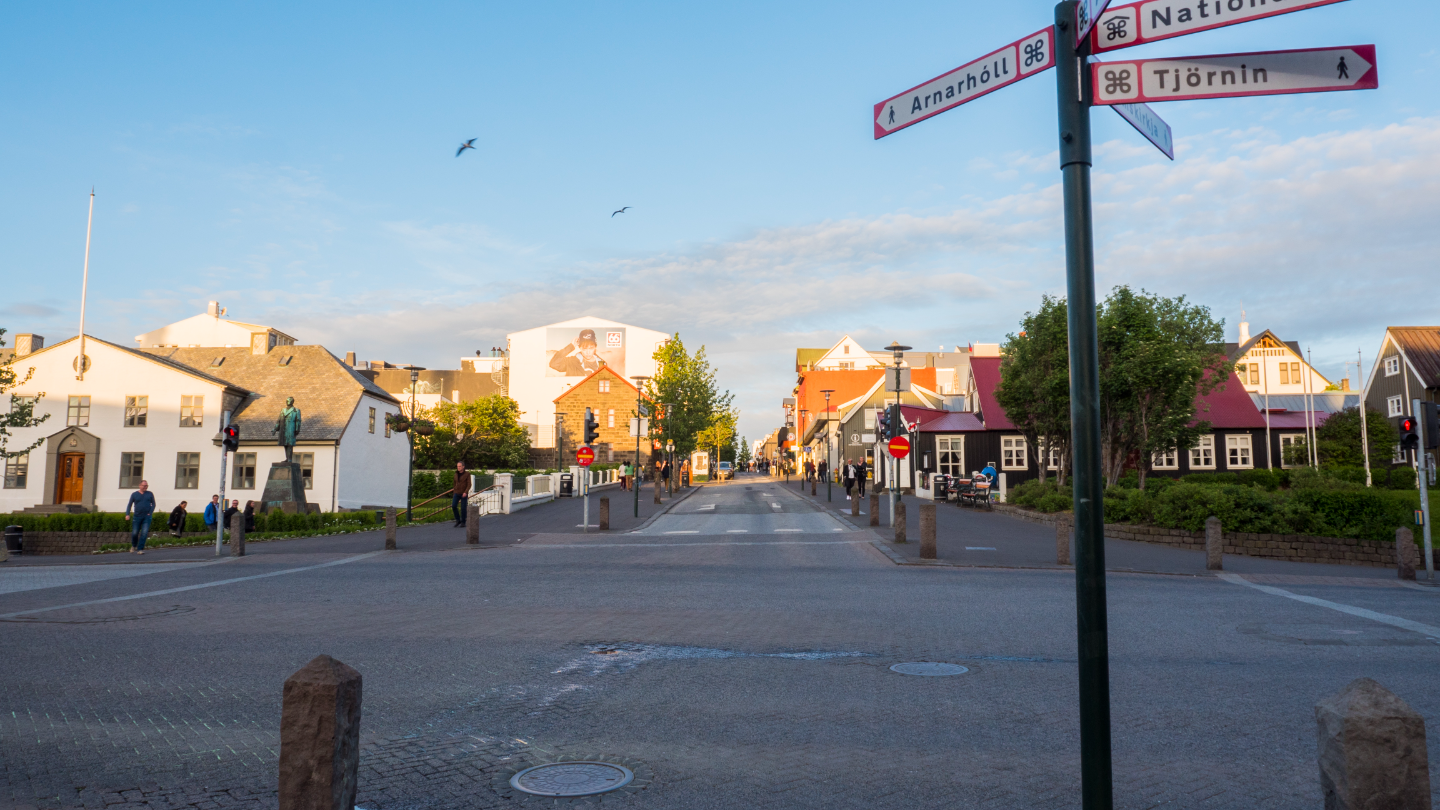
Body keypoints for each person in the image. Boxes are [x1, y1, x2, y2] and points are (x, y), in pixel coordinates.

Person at [124, 480, 156, 554]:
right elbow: (129, 504)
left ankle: (140, 549)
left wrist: (150, 513)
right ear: (140, 486)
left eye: (146, 486)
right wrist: (127, 514)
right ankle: (134, 545)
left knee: (144, 533)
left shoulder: (150, 494)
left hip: (146, 517)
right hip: (137, 516)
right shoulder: (134, 494)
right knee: (135, 533)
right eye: (144, 486)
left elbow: (153, 504)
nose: (145, 487)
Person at [452, 461, 471, 527]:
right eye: (457, 466)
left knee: (463, 508)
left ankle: (463, 522)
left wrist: (465, 492)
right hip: (456, 492)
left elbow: (469, 484)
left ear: (463, 466)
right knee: (454, 506)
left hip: (463, 493)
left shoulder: (467, 474)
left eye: (460, 466)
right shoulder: (456, 474)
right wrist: (454, 492)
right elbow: (454, 484)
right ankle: (458, 520)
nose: (458, 468)